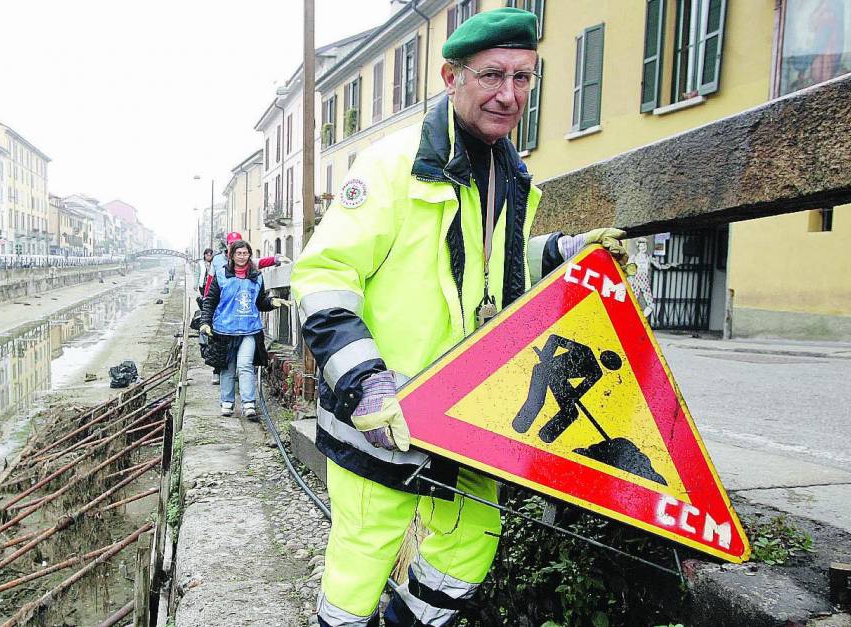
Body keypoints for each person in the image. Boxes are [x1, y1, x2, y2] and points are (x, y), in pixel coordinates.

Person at [290, 8, 629, 626]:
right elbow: (323, 274)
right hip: (383, 411)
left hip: (468, 412)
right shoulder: (392, 167)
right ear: (450, 77)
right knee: (360, 563)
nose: (509, 95)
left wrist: (562, 252)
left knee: (470, 547)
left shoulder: (512, 174)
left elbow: (492, 263)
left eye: (524, 78)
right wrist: (366, 380)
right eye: (492, 75)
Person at [199, 240, 287, 418]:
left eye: (245, 253)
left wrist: (272, 302)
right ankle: (227, 402)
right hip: (224, 331)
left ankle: (248, 404)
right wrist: (205, 322)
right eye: (238, 253)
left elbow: (260, 301)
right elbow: (210, 301)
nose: (242, 256)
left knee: (245, 365)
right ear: (232, 255)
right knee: (228, 368)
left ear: (249, 255)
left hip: (249, 330)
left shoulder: (257, 276)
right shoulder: (222, 275)